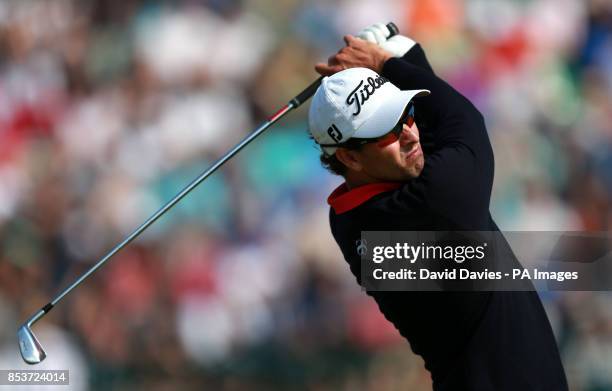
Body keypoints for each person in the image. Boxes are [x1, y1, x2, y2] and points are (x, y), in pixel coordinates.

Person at [307, 23, 568, 390]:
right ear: (350, 156)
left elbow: (430, 125)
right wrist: (386, 60)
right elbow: (462, 123)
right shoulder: (435, 205)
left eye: (406, 113)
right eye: (388, 130)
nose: (409, 133)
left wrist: (402, 56)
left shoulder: (352, 216)